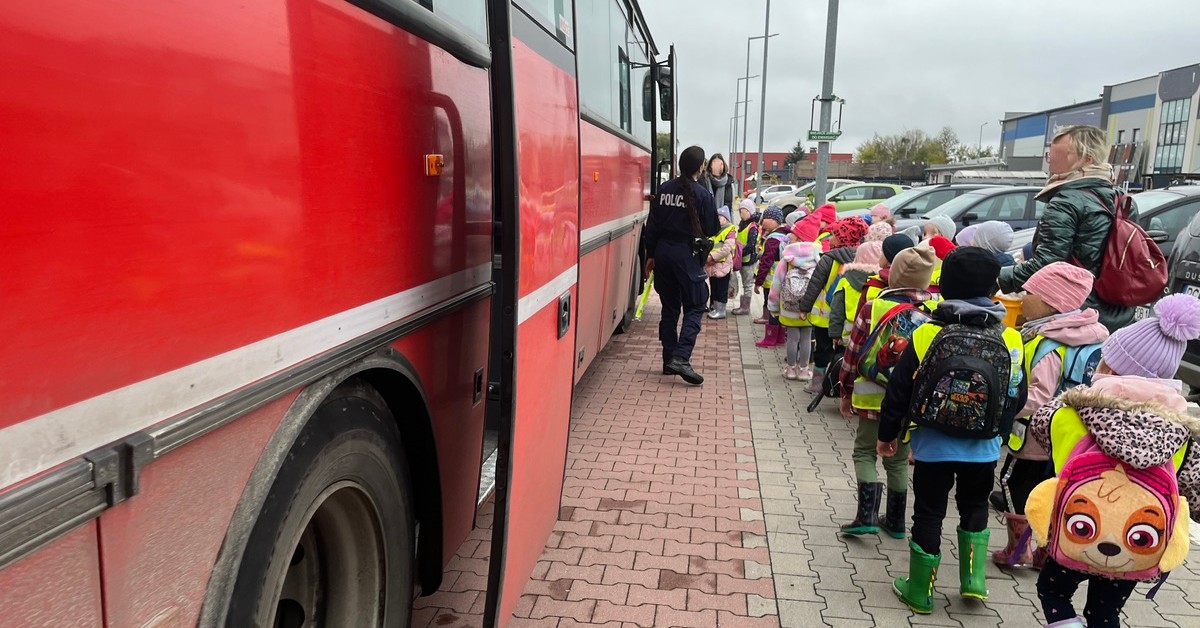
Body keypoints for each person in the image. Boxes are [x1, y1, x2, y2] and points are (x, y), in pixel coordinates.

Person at [1027, 294, 1200, 627]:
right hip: (1136, 546)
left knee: (1054, 593)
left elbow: (1039, 428)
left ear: (1108, 366)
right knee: (1104, 611)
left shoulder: (1070, 415)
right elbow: (1192, 492)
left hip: (1074, 535)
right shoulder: (1182, 437)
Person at [878, 247, 1027, 614]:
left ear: (943, 287)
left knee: (929, 512)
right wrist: (998, 431)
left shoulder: (926, 333)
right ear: (993, 288)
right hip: (984, 448)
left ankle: (920, 590)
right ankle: (973, 582)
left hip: (932, 445)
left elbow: (899, 390)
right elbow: (1017, 396)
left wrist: (888, 433)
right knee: (974, 505)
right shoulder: (1011, 339)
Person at [991, 262, 1108, 569]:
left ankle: (1018, 551)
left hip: (1033, 438)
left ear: (1049, 302)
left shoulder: (1047, 344)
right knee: (1056, 491)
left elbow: (1038, 397)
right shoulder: (1093, 338)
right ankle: (1046, 553)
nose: (1020, 296)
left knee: (1013, 484)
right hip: (1072, 439)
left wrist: (1006, 408)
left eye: (1027, 292)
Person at [837, 245, 937, 538]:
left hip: (870, 396)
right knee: (897, 458)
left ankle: (866, 515)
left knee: (865, 452)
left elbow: (853, 353)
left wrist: (845, 390)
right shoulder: (931, 312)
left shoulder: (874, 306)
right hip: (906, 402)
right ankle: (895, 521)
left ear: (893, 274)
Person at [998, 125, 1137, 332]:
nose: (1051, 160)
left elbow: (1048, 263)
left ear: (1087, 159)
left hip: (1071, 312)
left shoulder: (1066, 200)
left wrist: (998, 277)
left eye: (1058, 154)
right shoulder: (1123, 200)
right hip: (1119, 312)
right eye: (1049, 154)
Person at [644, 146, 719, 385]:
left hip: (663, 253)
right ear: (701, 168)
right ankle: (681, 358)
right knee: (696, 304)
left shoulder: (664, 189)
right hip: (686, 255)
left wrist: (651, 255)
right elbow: (713, 228)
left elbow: (652, 225)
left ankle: (668, 359)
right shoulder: (702, 194)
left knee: (670, 308)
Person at [799, 217, 869, 393]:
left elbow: (815, 284)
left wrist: (804, 307)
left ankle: (817, 384)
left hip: (824, 315)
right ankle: (839, 385)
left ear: (843, 237)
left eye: (834, 235)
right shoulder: (864, 257)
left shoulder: (829, 258)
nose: (829, 238)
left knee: (822, 349)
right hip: (849, 315)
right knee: (843, 350)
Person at [767, 238, 819, 380]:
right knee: (806, 339)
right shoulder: (816, 260)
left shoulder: (787, 261)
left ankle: (790, 370)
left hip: (788, 307)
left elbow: (776, 284)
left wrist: (773, 305)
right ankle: (803, 370)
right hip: (808, 307)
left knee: (792, 338)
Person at [829, 241, 883, 344]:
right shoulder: (882, 281)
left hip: (848, 335)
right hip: (873, 335)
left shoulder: (845, 280)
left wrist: (835, 334)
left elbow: (837, 309)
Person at [754, 206, 790, 345]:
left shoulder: (773, 239)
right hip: (782, 279)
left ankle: (770, 338)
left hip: (772, 281)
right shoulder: (784, 235)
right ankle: (779, 337)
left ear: (775, 220)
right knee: (778, 308)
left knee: (772, 308)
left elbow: (766, 262)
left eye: (766, 218)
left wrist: (758, 281)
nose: (763, 221)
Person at [705, 206, 738, 319]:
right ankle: (715, 308)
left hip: (722, 265)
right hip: (713, 265)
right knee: (714, 287)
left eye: (721, 217)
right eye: (717, 217)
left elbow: (726, 249)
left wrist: (711, 257)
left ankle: (721, 310)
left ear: (727, 219)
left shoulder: (730, 230)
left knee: (721, 289)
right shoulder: (714, 230)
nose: (719, 219)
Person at [730, 200, 760, 316]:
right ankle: (743, 306)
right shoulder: (743, 224)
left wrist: (739, 253)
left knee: (747, 284)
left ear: (748, 211)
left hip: (748, 260)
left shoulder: (752, 227)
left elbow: (751, 245)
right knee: (744, 283)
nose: (740, 214)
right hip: (742, 259)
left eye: (742, 211)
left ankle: (745, 307)